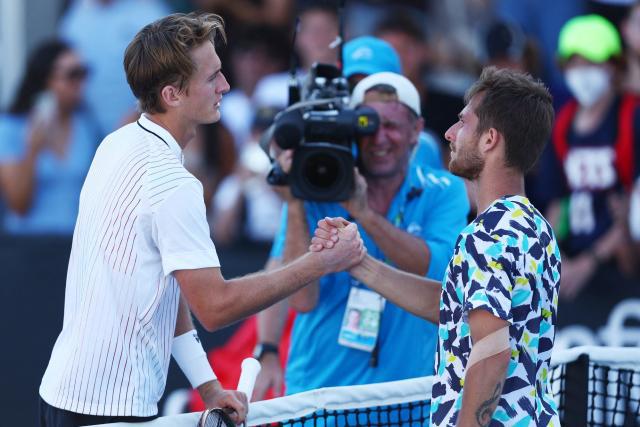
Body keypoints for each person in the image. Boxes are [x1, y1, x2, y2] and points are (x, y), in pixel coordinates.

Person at [38, 13, 365, 427]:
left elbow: (165, 288)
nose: (226, 86)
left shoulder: (115, 144)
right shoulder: (174, 184)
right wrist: (320, 263)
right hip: (110, 413)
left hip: (61, 396)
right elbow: (215, 306)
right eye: (212, 78)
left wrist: (209, 387)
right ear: (173, 94)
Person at [312, 66, 560, 426]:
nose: (449, 133)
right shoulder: (536, 228)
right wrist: (359, 263)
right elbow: (453, 306)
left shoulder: (486, 234)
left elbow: (492, 351)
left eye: (463, 122)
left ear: (490, 139)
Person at [260, 71, 469, 400]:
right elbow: (302, 300)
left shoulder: (445, 191)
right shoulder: (317, 181)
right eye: (367, 126)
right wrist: (296, 201)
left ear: (416, 131)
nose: (379, 138)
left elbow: (437, 273)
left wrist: (363, 213)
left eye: (392, 126)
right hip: (319, 396)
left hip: (405, 398)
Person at [534, 14, 640, 327]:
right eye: (574, 63)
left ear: (613, 66)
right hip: (573, 261)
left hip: (619, 266)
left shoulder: (631, 117)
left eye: (591, 63)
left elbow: (633, 208)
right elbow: (555, 202)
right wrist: (555, 260)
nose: (582, 74)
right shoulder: (563, 123)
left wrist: (591, 261)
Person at [0, 39, 99, 235]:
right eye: (73, 75)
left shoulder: (85, 125)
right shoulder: (11, 128)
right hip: (30, 244)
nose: (81, 83)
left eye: (84, 73)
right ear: (46, 80)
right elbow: (18, 204)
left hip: (76, 243)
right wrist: (32, 150)